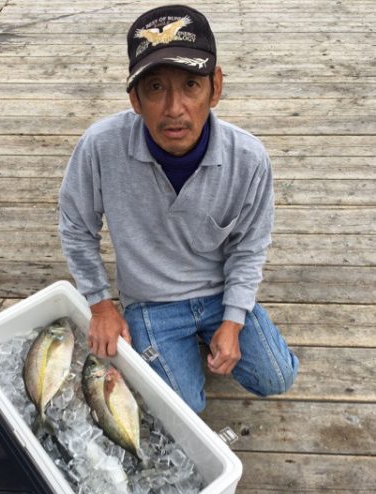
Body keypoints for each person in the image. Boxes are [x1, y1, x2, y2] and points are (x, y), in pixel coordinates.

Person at [59, 4, 299, 413]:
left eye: (191, 84)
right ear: (134, 97)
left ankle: (213, 335)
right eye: (155, 88)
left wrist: (234, 318)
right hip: (151, 302)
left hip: (220, 293)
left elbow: (249, 247)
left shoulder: (250, 158)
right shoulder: (100, 147)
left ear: (216, 87)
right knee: (186, 408)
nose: (174, 108)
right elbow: (76, 226)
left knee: (278, 376)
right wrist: (100, 304)